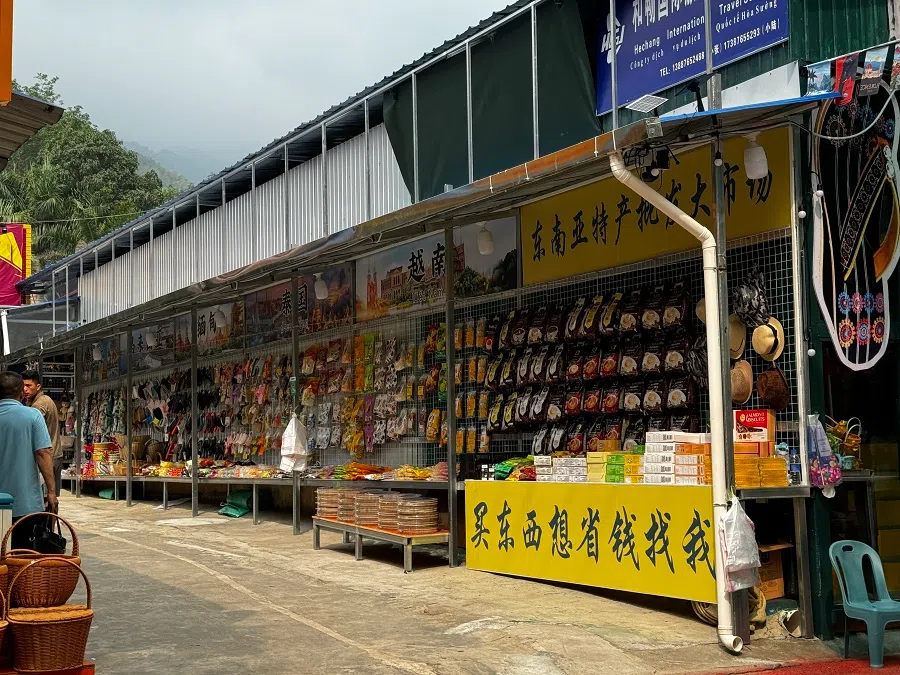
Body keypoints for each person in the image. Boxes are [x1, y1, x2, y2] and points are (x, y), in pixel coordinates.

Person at [0, 371, 57, 551]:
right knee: (24, 557)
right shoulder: (32, 416)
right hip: (26, 506)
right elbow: (43, 453)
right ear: (21, 392)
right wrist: (52, 492)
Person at [22, 369, 62, 496]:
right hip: (54, 455)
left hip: (46, 458)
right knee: (50, 498)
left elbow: (33, 432)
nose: (25, 389)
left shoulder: (39, 406)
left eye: (28, 385)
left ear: (38, 386)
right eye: (23, 386)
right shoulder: (45, 399)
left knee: (44, 498)